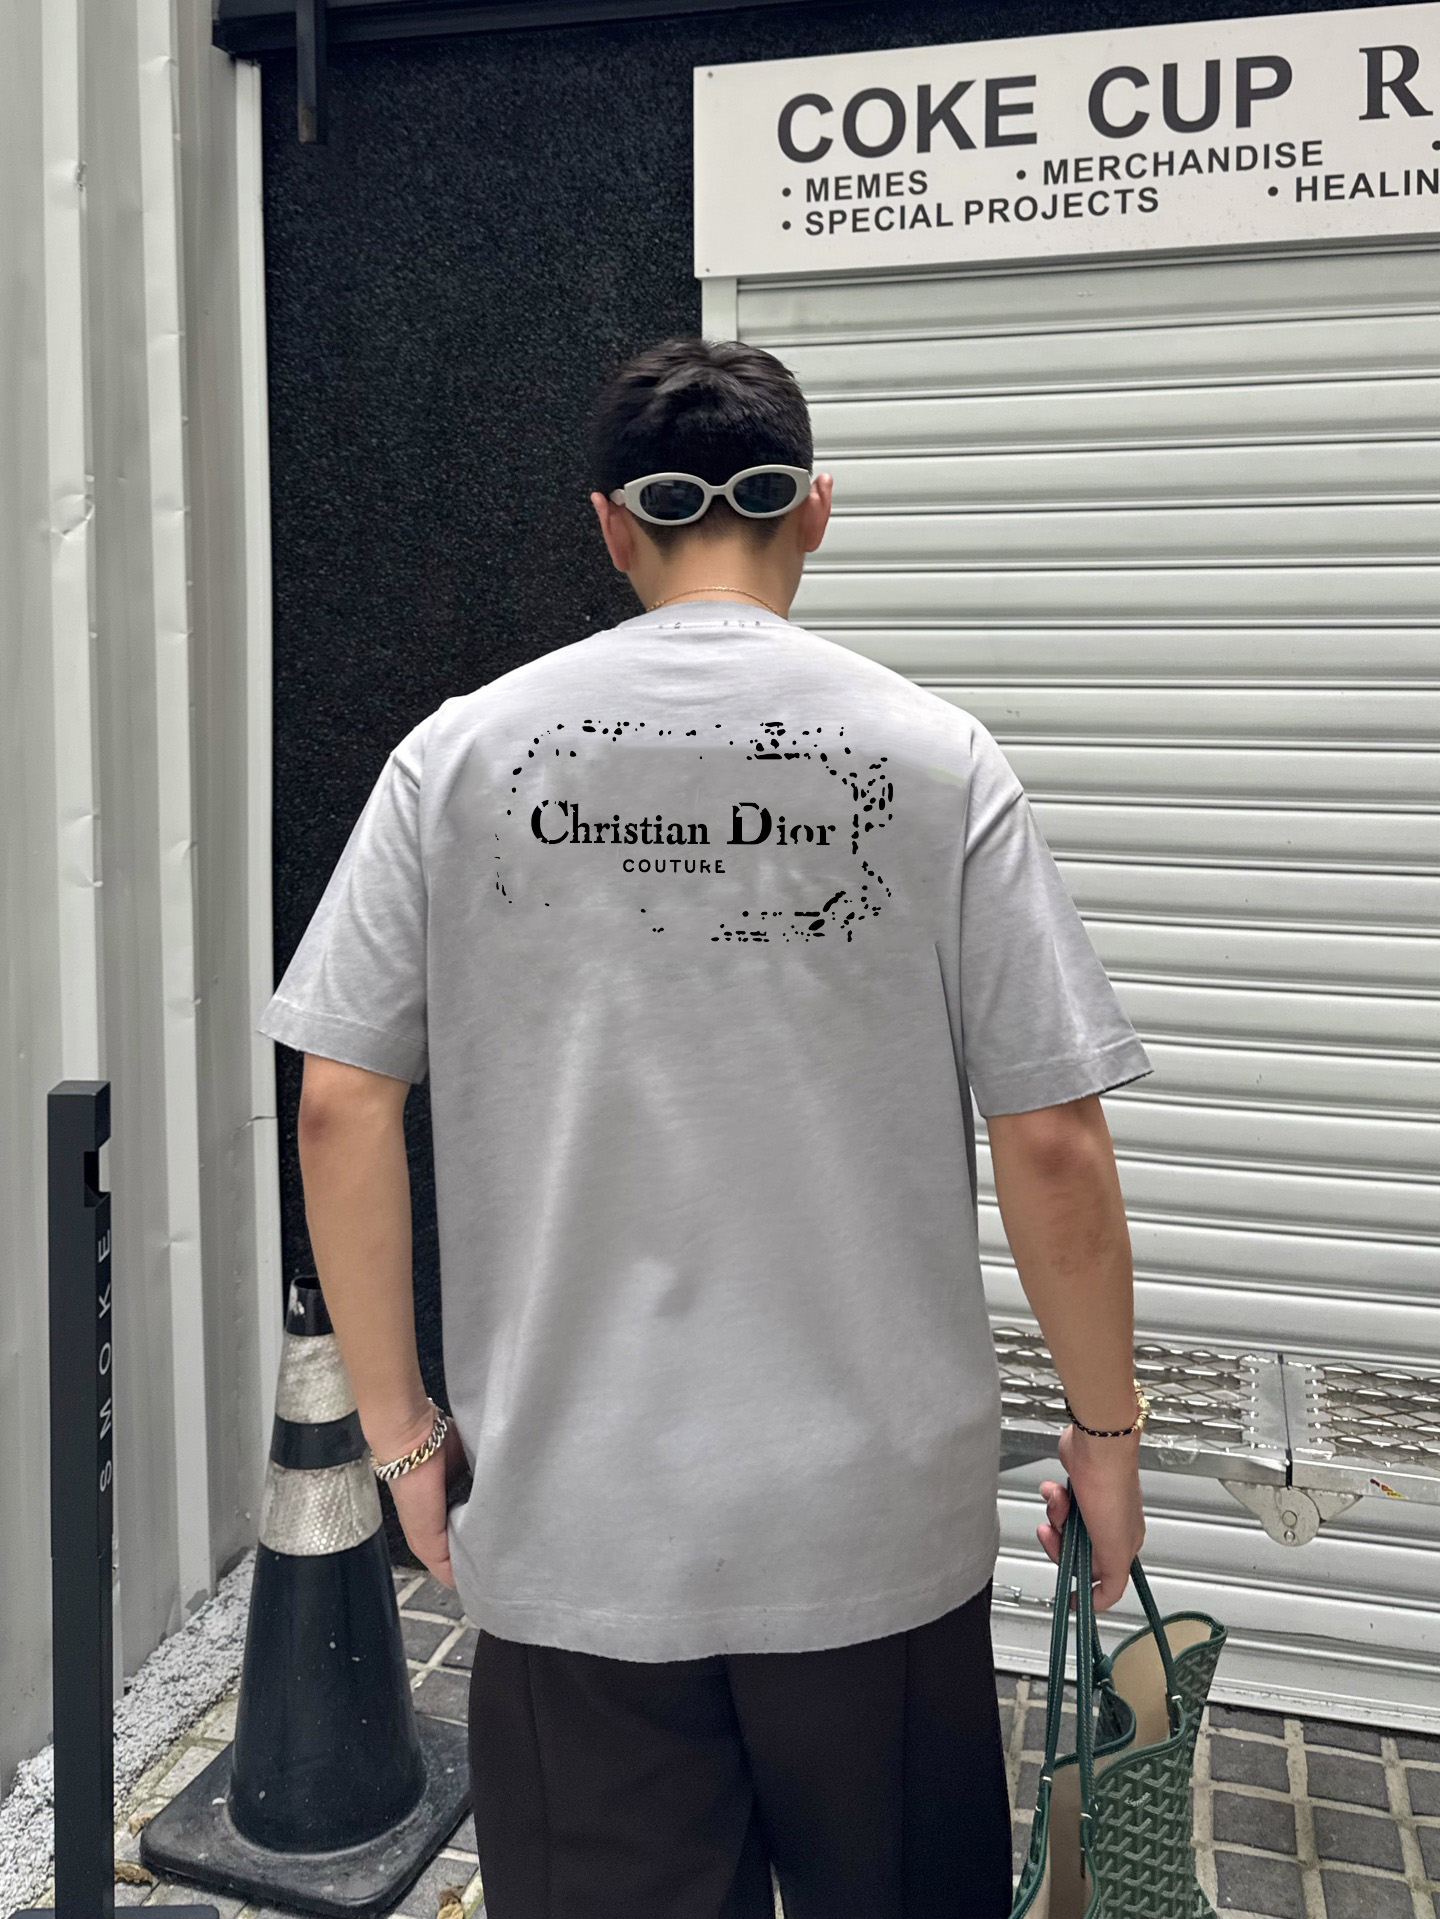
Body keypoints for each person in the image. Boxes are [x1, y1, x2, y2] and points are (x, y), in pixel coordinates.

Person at [257, 336, 1150, 1919]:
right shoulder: (936, 758)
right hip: (874, 1533)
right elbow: (1057, 1141)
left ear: (611, 528)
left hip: (577, 1527)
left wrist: (402, 1438)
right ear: (817, 510)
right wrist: (1105, 1439)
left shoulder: (456, 757)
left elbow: (340, 1100)